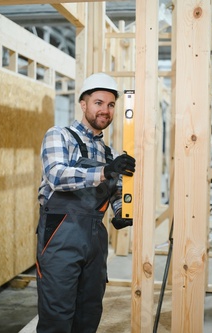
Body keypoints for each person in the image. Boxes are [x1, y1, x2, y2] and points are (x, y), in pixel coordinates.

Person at [35, 72, 136, 332]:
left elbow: (114, 190)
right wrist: (105, 171)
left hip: (94, 238)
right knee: (57, 314)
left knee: (89, 311)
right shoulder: (59, 136)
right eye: (99, 103)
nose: (105, 110)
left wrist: (120, 210)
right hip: (61, 236)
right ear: (83, 104)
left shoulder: (108, 152)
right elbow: (56, 176)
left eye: (111, 105)